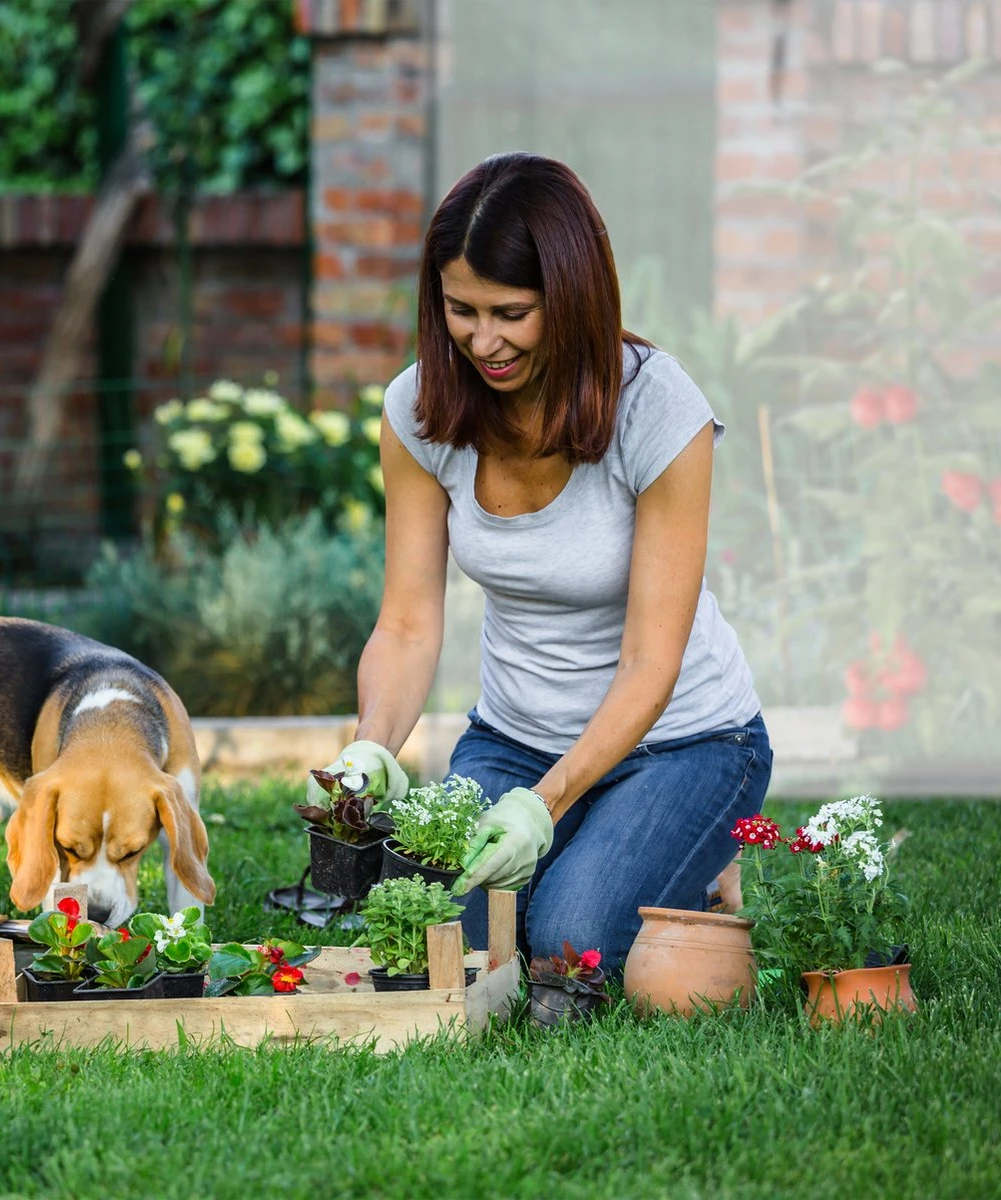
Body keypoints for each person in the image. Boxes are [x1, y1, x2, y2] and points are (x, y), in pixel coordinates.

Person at [310, 152, 772, 967]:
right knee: (440, 931)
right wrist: (371, 746)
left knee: (571, 942)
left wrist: (547, 806)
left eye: (511, 312)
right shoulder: (419, 412)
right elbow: (410, 622)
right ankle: (611, 851)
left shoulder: (660, 411)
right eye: (461, 310)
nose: (482, 341)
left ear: (573, 297)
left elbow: (649, 661)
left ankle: (684, 857)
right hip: (512, 739)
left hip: (683, 741)